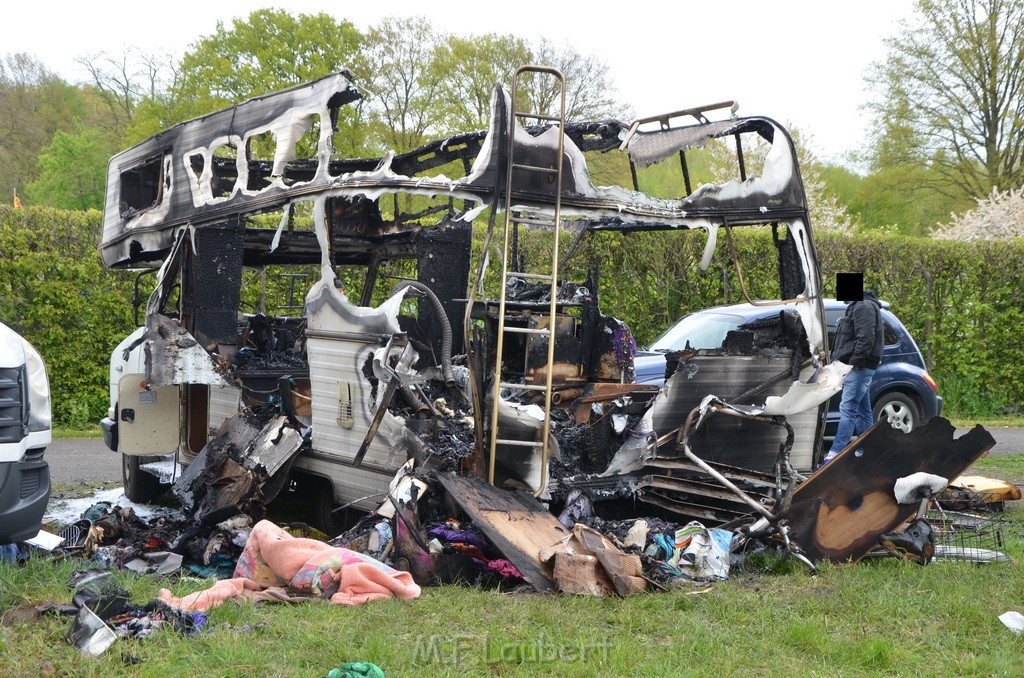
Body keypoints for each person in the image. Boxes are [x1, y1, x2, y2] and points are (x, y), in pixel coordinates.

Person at [822, 289, 884, 464]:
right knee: (863, 411)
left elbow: (866, 339)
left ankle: (835, 454)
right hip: (860, 365)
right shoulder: (859, 305)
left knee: (847, 409)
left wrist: (852, 363)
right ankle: (867, 452)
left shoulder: (863, 306)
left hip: (858, 367)